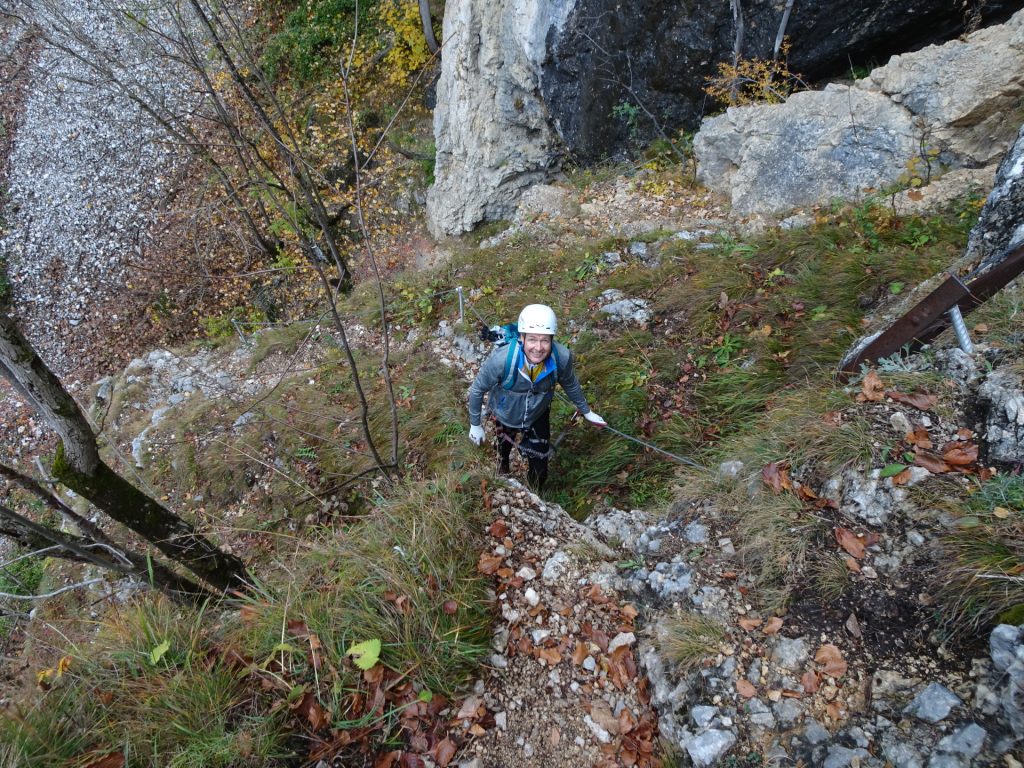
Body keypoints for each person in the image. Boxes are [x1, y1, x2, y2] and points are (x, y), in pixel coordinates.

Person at [468, 304, 606, 492]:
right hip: (505, 410)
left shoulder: (561, 357)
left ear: (552, 340)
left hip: (538, 412)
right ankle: (503, 463)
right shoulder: (502, 360)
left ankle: (534, 492)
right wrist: (475, 424)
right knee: (504, 445)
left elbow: (571, 384)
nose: (538, 348)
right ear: (522, 338)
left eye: (545, 341)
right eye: (532, 340)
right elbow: (477, 389)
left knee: (540, 467)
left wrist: (586, 411)